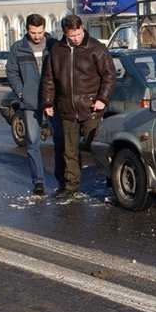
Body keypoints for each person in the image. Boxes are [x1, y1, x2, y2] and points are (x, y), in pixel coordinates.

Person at [42, 15, 116, 198]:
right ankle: (71, 186)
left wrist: (102, 99)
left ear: (82, 28)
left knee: (96, 147)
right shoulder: (57, 50)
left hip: (92, 107)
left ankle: (112, 179)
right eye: (71, 36)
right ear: (65, 33)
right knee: (69, 151)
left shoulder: (96, 48)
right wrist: (48, 101)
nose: (75, 39)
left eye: (78, 34)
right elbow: (49, 79)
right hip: (66, 107)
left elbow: (109, 75)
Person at [5, 14, 60, 195]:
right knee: (33, 142)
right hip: (30, 103)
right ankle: (38, 181)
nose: (37, 36)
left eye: (40, 32)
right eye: (33, 32)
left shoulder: (53, 45)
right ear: (27, 30)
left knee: (60, 140)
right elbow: (11, 72)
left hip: (53, 101)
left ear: (44, 29)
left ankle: (62, 179)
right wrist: (21, 92)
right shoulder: (18, 48)